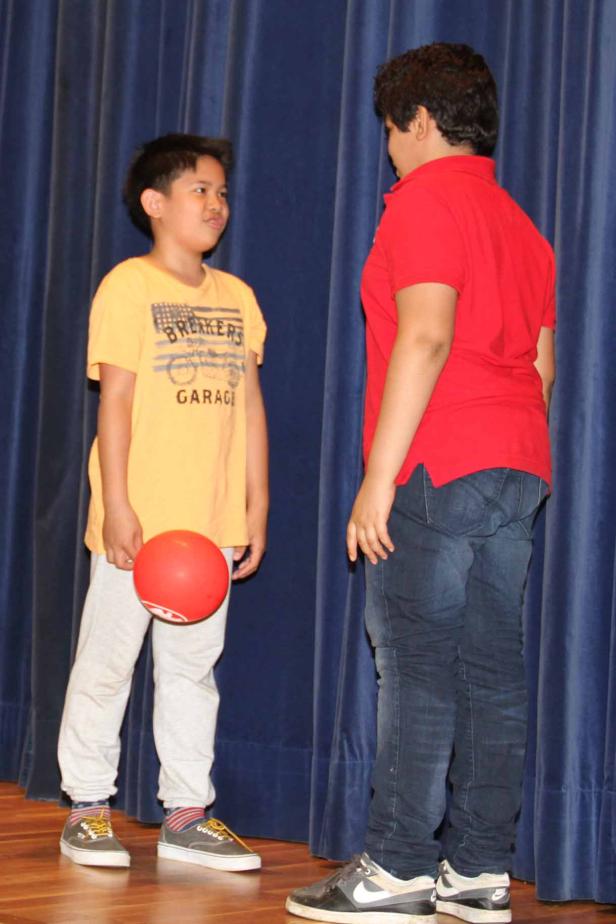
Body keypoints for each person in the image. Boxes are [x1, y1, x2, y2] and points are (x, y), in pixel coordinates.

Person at [287, 43, 555, 923]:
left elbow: (426, 334)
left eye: (391, 131)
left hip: (438, 459)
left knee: (416, 665)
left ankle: (399, 866)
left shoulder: (424, 201)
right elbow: (543, 369)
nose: (389, 149)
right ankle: (476, 872)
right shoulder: (522, 224)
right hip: (517, 459)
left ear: (422, 121)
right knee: (491, 674)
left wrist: (380, 475)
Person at [57, 133, 268, 870]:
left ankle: (185, 813)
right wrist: (116, 506)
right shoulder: (128, 286)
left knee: (191, 671)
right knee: (107, 664)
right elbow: (113, 403)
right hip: (138, 527)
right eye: (199, 190)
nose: (216, 203)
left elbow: (250, 407)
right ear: (155, 204)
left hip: (209, 527)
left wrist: (256, 503)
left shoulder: (237, 297)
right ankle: (87, 806)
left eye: (221, 192)